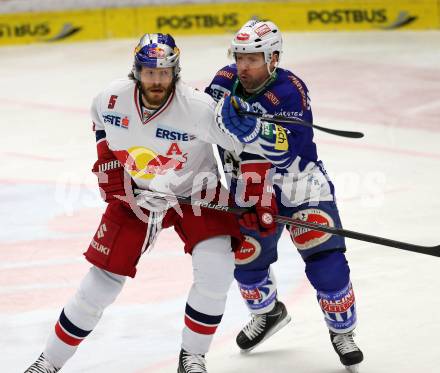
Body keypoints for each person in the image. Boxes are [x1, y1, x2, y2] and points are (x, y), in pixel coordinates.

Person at [24, 33, 247, 373]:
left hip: (197, 192)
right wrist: (107, 159)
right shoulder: (112, 98)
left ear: (175, 71)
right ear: (137, 71)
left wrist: (248, 190)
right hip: (138, 193)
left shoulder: (199, 109)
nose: (157, 81)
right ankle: (48, 362)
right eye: (149, 72)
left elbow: (239, 146)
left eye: (164, 72)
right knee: (99, 284)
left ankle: (193, 358)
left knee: (216, 271)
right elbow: (98, 120)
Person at [205, 19, 364, 372]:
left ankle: (342, 332)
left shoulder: (291, 90)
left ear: (273, 58)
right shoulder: (222, 82)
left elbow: (290, 151)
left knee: (326, 263)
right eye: (240, 57)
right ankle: (268, 313)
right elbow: (199, 124)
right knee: (246, 264)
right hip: (249, 188)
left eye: (253, 59)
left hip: (299, 186)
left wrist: (253, 128)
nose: (243, 66)